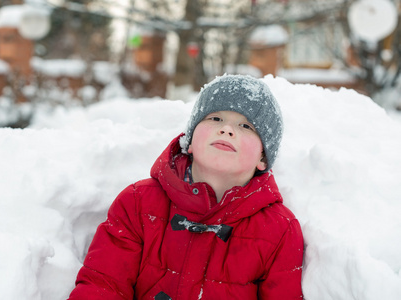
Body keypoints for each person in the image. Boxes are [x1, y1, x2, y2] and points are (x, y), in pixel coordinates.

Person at [68, 74, 304, 300]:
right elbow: (103, 286)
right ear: (189, 141)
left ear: (263, 158)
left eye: (246, 126)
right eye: (215, 118)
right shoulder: (138, 202)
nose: (227, 130)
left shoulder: (280, 229)